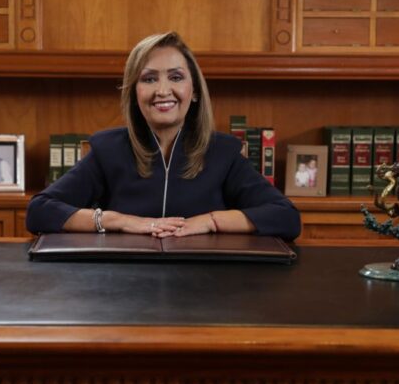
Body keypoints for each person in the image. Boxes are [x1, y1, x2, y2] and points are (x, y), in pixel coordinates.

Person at [26, 32, 301, 240]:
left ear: (194, 91)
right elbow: (40, 211)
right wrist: (121, 221)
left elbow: (286, 217)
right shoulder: (108, 149)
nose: (163, 90)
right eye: (149, 79)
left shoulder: (222, 152)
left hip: (205, 284)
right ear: (134, 93)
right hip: (124, 283)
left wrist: (210, 221)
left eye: (176, 77)